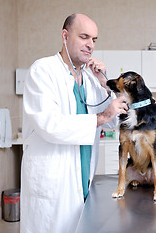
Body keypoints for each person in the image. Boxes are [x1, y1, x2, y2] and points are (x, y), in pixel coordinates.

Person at [21, 13, 128, 233]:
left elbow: (112, 121)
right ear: (65, 36)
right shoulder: (43, 70)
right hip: (54, 181)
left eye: (94, 40)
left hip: (82, 177)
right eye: (84, 37)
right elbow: (50, 125)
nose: (90, 45)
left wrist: (104, 83)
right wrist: (103, 116)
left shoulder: (89, 78)